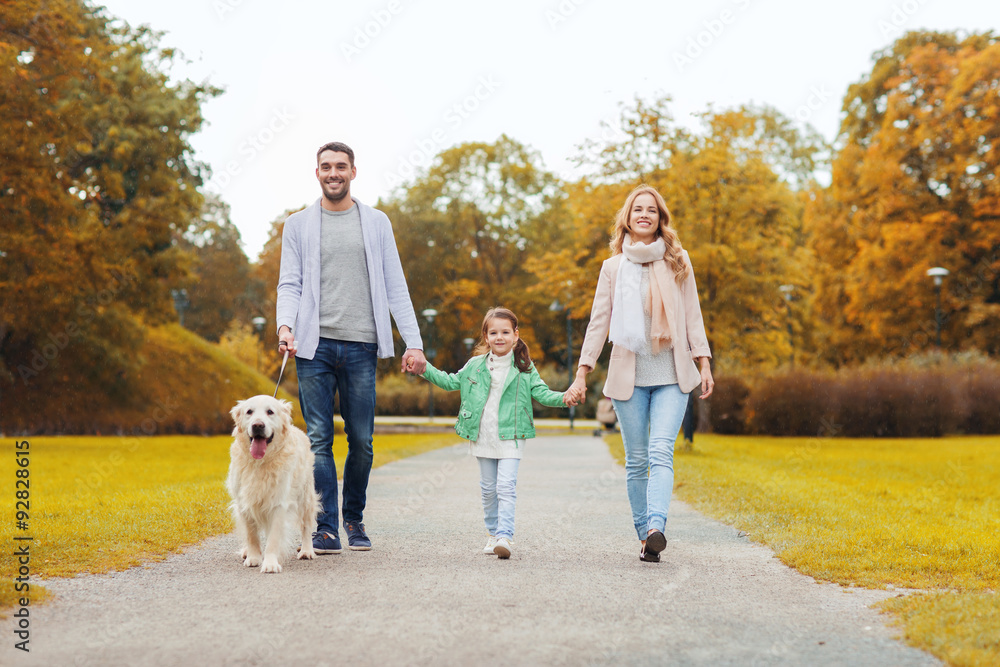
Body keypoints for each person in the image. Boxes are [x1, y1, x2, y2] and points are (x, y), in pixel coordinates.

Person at [276, 141, 427, 555]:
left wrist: (413, 342)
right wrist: (285, 326)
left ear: (353, 172)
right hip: (313, 346)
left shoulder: (376, 222)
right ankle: (326, 528)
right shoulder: (298, 225)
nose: (333, 173)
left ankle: (354, 517)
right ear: (317, 173)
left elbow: (396, 284)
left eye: (340, 166)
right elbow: (290, 282)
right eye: (326, 167)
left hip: (361, 344)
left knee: (361, 441)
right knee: (320, 439)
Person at [567, 184, 714, 563]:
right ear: (628, 219)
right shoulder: (613, 268)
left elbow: (693, 315)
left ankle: (656, 528)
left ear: (660, 218)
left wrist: (704, 361)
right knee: (636, 459)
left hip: (671, 375)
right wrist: (582, 372)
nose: (644, 214)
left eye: (652, 209)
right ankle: (644, 534)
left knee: (661, 451)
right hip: (629, 378)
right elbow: (599, 323)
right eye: (638, 210)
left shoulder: (678, 261)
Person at [411, 307, 578, 559]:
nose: (499, 337)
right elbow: (449, 381)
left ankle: (504, 536)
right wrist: (424, 368)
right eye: (493, 332)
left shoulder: (524, 367)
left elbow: (542, 393)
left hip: (512, 435)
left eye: (505, 332)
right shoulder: (475, 365)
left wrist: (565, 398)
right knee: (488, 489)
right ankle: (493, 533)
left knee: (506, 486)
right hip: (483, 435)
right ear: (486, 337)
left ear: (515, 335)